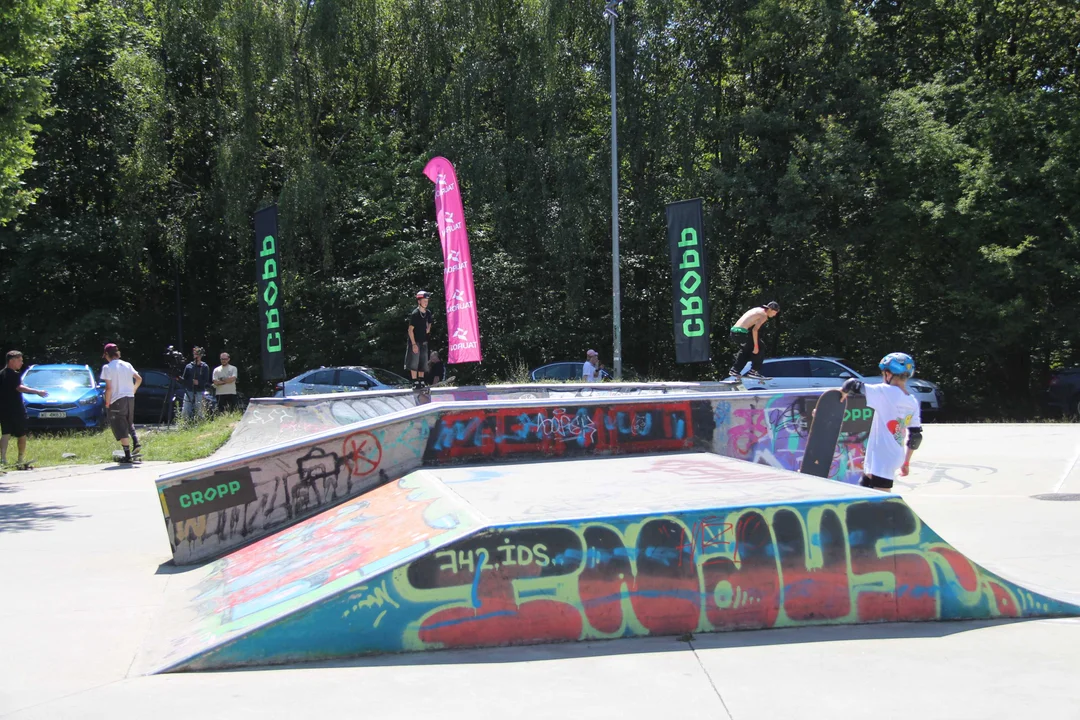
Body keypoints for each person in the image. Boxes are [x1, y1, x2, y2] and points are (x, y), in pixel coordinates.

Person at [840, 352, 923, 491]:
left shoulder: (884, 391)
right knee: (864, 490)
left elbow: (851, 384)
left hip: (882, 457)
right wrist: (906, 462)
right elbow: (916, 436)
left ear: (888, 373)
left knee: (882, 503)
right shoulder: (912, 401)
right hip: (893, 454)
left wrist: (841, 396)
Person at [0, 351, 48, 468]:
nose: (22, 363)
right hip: (16, 409)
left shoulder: (1, 373)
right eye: (19, 360)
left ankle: (3, 459)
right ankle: (20, 459)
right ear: (12, 360)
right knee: (21, 434)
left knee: (6, 433)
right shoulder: (14, 374)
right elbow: (19, 388)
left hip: (3, 408)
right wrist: (37, 391)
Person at [101, 343, 143, 463]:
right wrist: (133, 390)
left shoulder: (107, 368)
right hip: (130, 398)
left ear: (107, 354)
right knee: (129, 422)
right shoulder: (127, 364)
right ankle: (136, 442)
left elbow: (109, 388)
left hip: (117, 399)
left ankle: (127, 455)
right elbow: (139, 378)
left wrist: (107, 403)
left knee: (120, 425)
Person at [728, 301, 780, 380]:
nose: (775, 315)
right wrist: (756, 346)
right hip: (740, 333)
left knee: (746, 350)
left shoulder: (758, 309)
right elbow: (755, 330)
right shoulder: (764, 315)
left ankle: (735, 370)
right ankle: (754, 371)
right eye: (774, 312)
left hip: (735, 332)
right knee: (760, 347)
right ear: (770, 309)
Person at [405, 291, 434, 388]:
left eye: (427, 301)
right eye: (424, 301)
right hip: (415, 340)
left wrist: (429, 328)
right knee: (414, 360)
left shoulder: (428, 313)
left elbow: (430, 322)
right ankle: (414, 381)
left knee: (423, 361)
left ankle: (421, 380)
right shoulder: (415, 313)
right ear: (419, 302)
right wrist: (413, 344)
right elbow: (410, 330)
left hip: (424, 341)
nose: (426, 303)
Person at [180, 346, 211, 421]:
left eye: (198, 354)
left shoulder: (204, 367)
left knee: (199, 408)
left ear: (201, 356)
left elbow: (206, 380)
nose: (196, 356)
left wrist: (199, 382)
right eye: (195, 354)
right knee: (186, 408)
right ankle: (185, 423)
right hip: (189, 390)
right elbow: (184, 378)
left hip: (199, 391)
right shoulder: (189, 366)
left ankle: (200, 423)